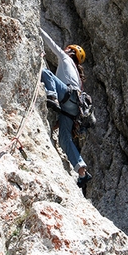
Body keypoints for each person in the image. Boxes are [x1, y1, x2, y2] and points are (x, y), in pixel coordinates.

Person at [40, 28, 92, 193]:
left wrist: (38, 29)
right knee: (65, 139)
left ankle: (52, 97)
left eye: (68, 48)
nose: (65, 49)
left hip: (67, 97)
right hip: (72, 109)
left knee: (46, 73)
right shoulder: (76, 72)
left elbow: (51, 43)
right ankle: (82, 172)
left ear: (71, 52)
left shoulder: (65, 58)